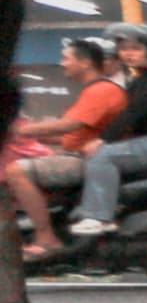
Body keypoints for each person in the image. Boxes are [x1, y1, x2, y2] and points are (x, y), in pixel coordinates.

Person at [58, 21, 147, 237]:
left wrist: (101, 140)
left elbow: (132, 115)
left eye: (135, 48)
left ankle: (98, 217)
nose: (128, 54)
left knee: (104, 156)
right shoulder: (139, 80)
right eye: (123, 49)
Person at [12, 32, 121, 254]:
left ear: (86, 62)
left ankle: (46, 238)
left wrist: (19, 130)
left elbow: (68, 125)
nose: (62, 64)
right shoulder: (94, 90)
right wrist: (33, 135)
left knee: (15, 172)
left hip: (84, 160)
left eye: (66, 58)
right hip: (78, 155)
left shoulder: (102, 90)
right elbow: (73, 135)